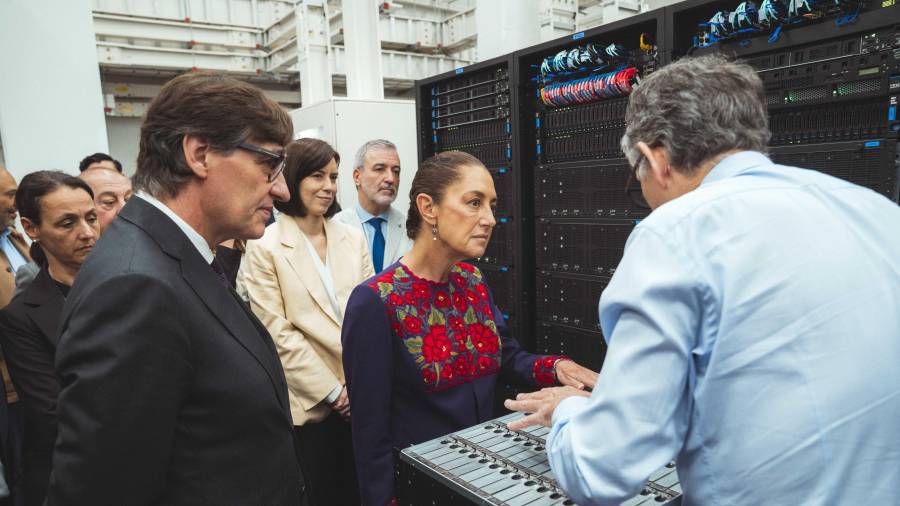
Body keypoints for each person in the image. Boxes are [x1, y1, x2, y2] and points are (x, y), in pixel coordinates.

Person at [504, 55, 900, 505]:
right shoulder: (877, 211)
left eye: (638, 182)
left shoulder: (676, 232)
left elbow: (600, 472)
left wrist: (571, 411)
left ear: (656, 158)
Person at [47, 71, 306, 505]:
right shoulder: (136, 286)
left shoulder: (177, 256)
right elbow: (103, 489)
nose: (281, 189)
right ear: (200, 154)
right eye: (269, 164)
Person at [341, 150, 598, 505]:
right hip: (422, 487)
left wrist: (555, 367)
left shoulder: (471, 279)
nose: (490, 219)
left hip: (484, 477)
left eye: (491, 205)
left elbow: (507, 357)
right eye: (474, 203)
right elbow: (369, 432)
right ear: (428, 207)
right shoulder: (376, 300)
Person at [240, 138, 374, 505]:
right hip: (311, 406)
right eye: (317, 176)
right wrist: (335, 393)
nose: (329, 186)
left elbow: (370, 317)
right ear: (294, 178)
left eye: (333, 176)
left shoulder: (352, 238)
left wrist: (360, 386)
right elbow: (276, 333)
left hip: (363, 396)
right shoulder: (265, 245)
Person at [0, 171, 99, 506]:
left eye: (91, 218)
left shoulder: (134, 286)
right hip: (74, 477)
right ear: (32, 229)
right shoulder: (21, 317)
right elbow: (53, 415)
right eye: (67, 223)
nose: (87, 233)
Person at [333, 139, 413, 273]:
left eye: (396, 171)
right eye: (380, 169)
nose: (390, 178)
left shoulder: (411, 228)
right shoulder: (335, 227)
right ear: (357, 177)